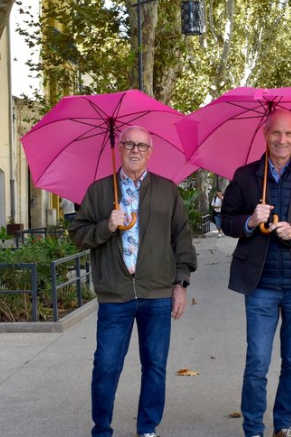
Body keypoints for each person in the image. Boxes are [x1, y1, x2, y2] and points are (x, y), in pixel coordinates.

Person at [69, 125, 198, 437]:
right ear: (120, 148)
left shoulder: (167, 190)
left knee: (154, 365)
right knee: (106, 367)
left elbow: (182, 239)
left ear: (150, 152)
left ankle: (147, 427)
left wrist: (180, 284)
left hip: (157, 293)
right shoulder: (100, 191)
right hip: (115, 294)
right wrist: (105, 226)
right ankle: (101, 429)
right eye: (129, 144)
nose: (135, 150)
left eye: (142, 145)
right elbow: (78, 235)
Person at [221, 109, 291, 437]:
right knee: (257, 362)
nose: (282, 140)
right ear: (265, 134)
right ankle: (254, 428)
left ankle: (283, 424)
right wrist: (249, 221)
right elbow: (227, 219)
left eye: (288, 134)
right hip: (260, 285)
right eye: (276, 133)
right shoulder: (245, 177)